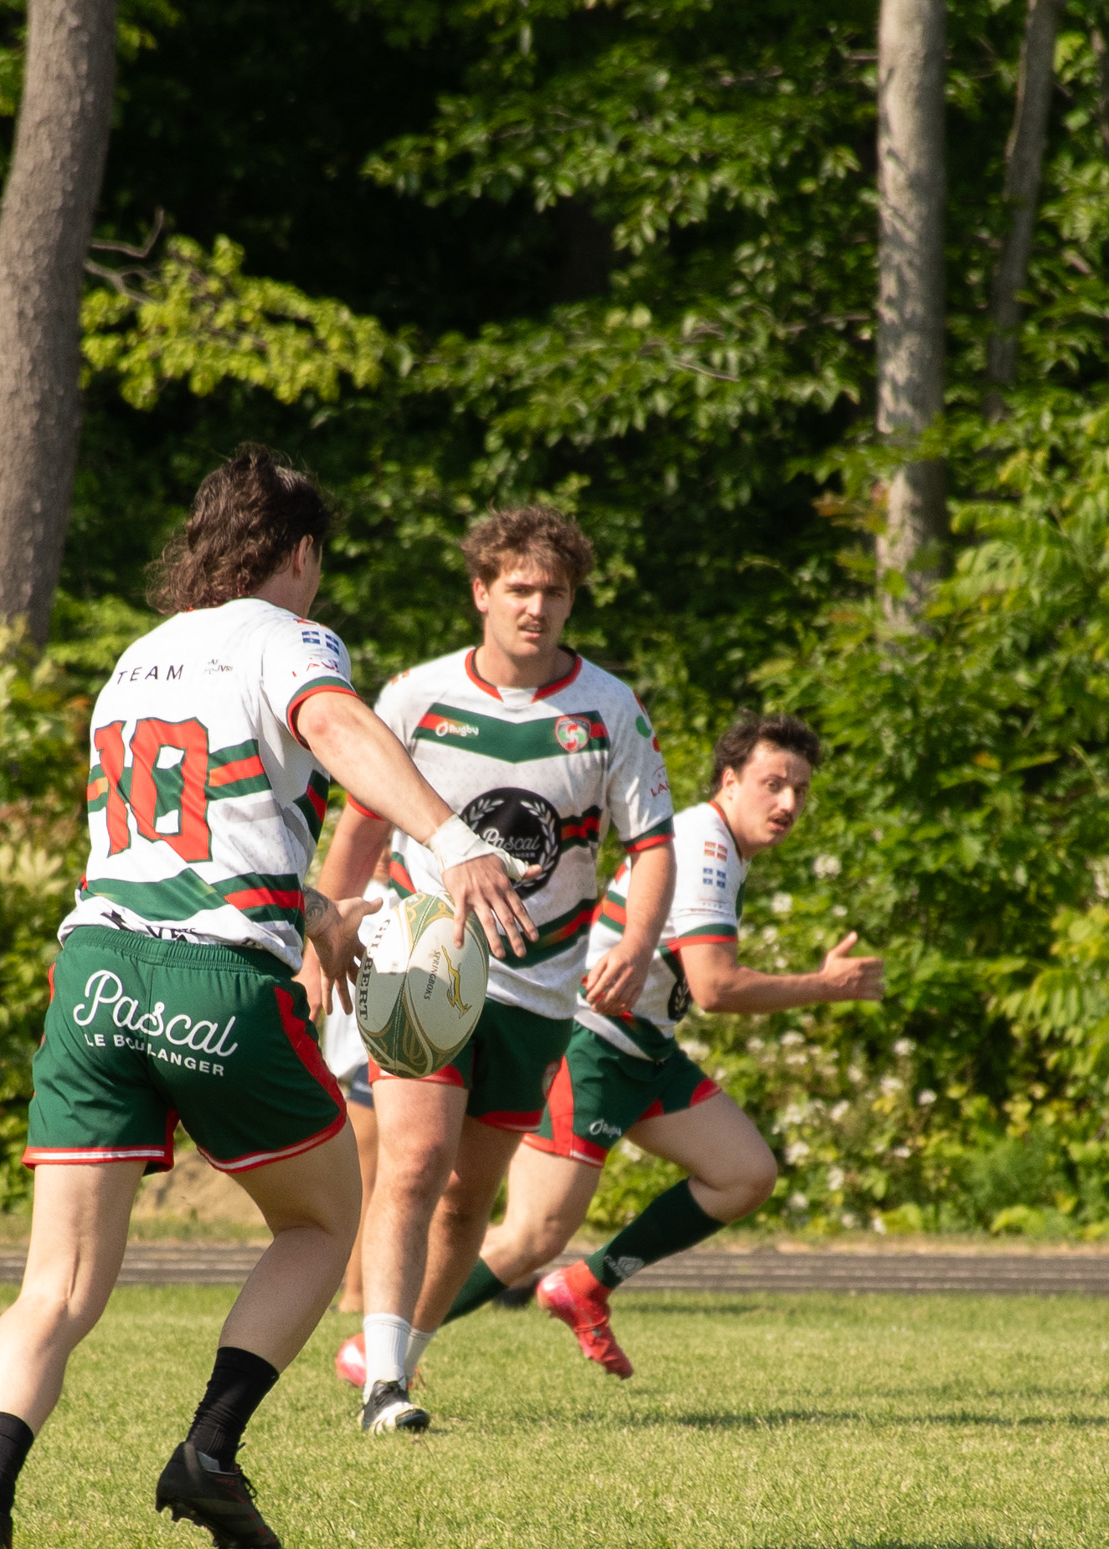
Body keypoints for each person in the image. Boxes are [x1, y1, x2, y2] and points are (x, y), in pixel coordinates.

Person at [0, 447, 529, 1549]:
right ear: (301, 553)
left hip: (94, 977)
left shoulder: (137, 656)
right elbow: (340, 730)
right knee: (321, 1220)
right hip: (212, 977)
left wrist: (307, 905)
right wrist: (453, 843)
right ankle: (209, 1449)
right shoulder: (290, 637)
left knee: (57, 1284)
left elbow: (169, 833)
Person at [309, 506, 676, 1433]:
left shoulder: (609, 707)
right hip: (421, 945)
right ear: (481, 592)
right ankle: (382, 1382)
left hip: (541, 980)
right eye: (518, 588)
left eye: (554, 591)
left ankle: (402, 1359)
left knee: (469, 1194)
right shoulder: (416, 697)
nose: (536, 607)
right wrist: (319, 942)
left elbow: (653, 842)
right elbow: (360, 829)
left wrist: (635, 942)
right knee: (417, 1158)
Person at [456, 711, 885, 1377]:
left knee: (744, 1174)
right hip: (591, 1043)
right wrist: (825, 986)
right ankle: (384, 1349)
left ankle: (585, 1287)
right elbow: (714, 987)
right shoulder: (703, 844)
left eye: (799, 790)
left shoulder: (720, 847)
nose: (788, 803)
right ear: (729, 780)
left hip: (644, 1049)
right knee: (531, 1236)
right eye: (772, 784)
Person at [321, 849, 393, 1315]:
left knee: (384, 1183)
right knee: (370, 1184)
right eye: (380, 839)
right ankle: (355, 1295)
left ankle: (365, 1294)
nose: (384, 851)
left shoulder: (369, 900)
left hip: (372, 1055)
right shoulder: (368, 903)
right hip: (369, 1057)